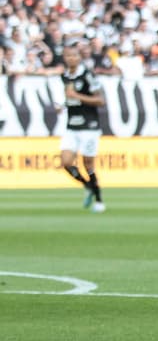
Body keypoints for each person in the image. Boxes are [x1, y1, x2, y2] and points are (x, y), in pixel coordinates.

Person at [56, 41, 106, 213]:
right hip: (71, 126)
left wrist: (77, 96)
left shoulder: (87, 75)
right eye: (68, 55)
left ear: (79, 57)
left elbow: (100, 100)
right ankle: (88, 186)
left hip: (89, 126)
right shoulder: (64, 77)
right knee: (66, 162)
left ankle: (99, 200)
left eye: (74, 55)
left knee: (88, 164)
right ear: (64, 58)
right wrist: (62, 105)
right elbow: (68, 99)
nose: (71, 58)